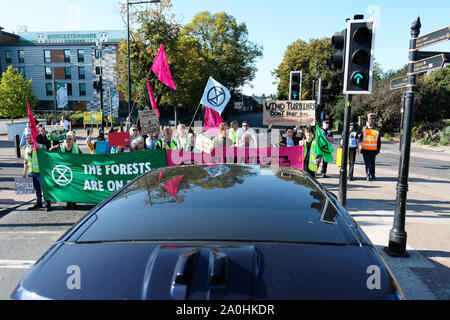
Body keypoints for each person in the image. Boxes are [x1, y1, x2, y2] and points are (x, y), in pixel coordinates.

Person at [22, 133, 52, 212]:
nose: (29, 140)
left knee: (44, 189)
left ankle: (47, 204)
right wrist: (24, 172)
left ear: (34, 138)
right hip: (31, 172)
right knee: (36, 189)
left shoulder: (40, 146)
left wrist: (37, 144)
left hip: (40, 172)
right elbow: (26, 161)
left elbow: (45, 151)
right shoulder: (26, 148)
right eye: (27, 138)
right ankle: (38, 203)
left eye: (30, 138)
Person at [58, 131, 80, 209]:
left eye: (70, 139)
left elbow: (81, 156)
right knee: (66, 187)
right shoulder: (60, 146)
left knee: (73, 186)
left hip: (73, 169)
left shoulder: (76, 146)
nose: (68, 140)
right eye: (67, 139)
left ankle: (73, 202)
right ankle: (68, 202)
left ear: (73, 139)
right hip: (64, 169)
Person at [360, 117, 381, 181]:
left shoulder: (364, 132)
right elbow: (379, 143)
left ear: (367, 125)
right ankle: (373, 175)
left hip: (366, 150)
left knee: (367, 163)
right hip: (373, 150)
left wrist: (364, 129)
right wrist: (378, 150)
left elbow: (360, 139)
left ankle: (368, 175)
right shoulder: (377, 132)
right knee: (372, 163)